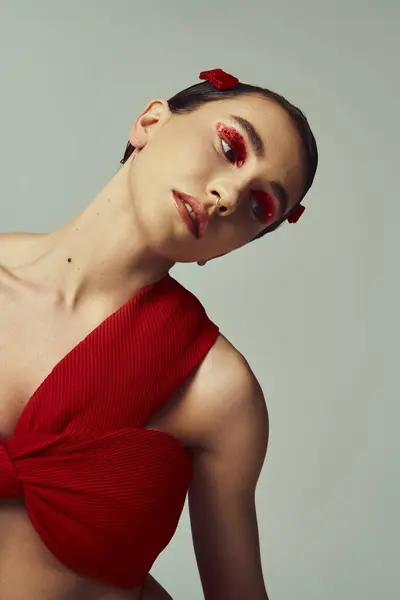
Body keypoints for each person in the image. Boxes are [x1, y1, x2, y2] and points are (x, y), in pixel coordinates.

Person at [0, 69, 318, 600]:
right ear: (149, 121)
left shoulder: (219, 391)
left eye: (260, 207)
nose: (227, 194)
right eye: (230, 146)